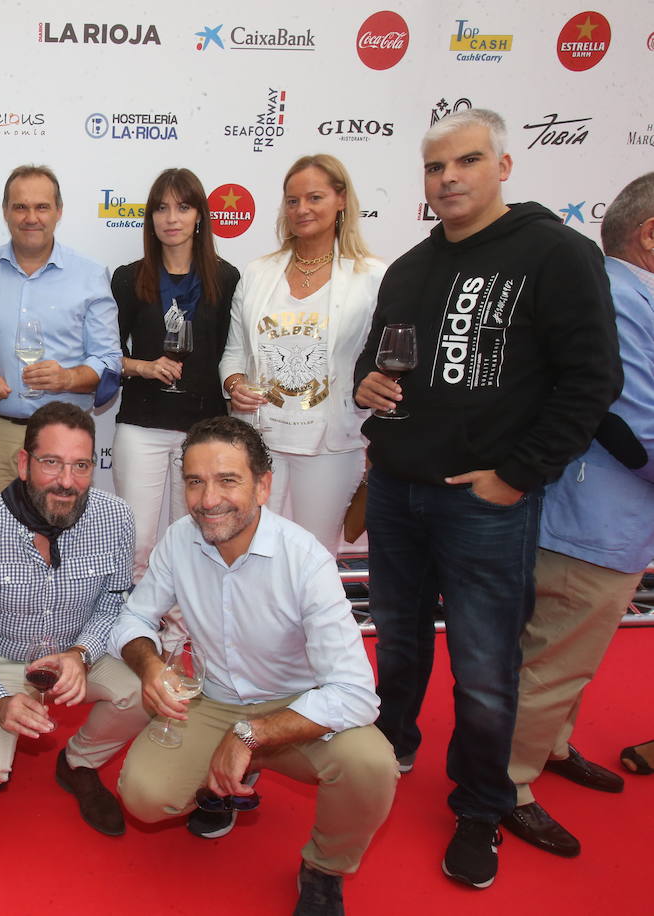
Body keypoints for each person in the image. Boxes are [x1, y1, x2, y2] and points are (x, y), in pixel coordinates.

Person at [352, 109, 620, 888]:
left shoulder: (556, 255)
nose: (449, 179)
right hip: (399, 492)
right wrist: (369, 382)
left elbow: (592, 383)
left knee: (485, 663)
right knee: (399, 639)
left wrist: (519, 474)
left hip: (486, 503)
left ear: (503, 166)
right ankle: (390, 742)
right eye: (435, 169)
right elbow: (379, 360)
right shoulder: (408, 266)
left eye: (466, 162)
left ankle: (481, 805)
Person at [112, 417, 396, 916]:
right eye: (195, 482)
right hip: (214, 699)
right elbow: (135, 615)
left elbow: (356, 694)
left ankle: (325, 867)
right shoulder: (180, 540)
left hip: (296, 706)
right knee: (143, 796)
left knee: (373, 767)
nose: (207, 499)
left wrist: (249, 735)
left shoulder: (305, 559)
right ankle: (222, 780)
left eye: (228, 480)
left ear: (263, 485)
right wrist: (150, 664)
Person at [502, 172, 654, 856]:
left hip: (610, 521)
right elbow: (634, 420)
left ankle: (552, 745)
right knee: (552, 656)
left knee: (575, 652)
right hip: (590, 518)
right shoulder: (620, 299)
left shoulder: (624, 292)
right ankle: (506, 783)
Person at [0, 401, 146, 835]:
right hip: (0, 659)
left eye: (80, 466)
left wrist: (81, 652)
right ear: (23, 463)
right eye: (51, 463)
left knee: (149, 691)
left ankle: (79, 761)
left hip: (78, 654)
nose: (66, 482)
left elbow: (115, 600)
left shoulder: (116, 518)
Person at [220, 154, 386, 555]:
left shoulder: (372, 277)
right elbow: (234, 353)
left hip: (331, 445)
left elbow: (381, 363)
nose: (302, 209)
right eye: (292, 201)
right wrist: (235, 384)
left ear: (341, 200)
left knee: (313, 557)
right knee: (249, 550)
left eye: (315, 197)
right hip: (261, 439)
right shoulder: (259, 273)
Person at [0, 164, 122, 502]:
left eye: (42, 207)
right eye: (21, 206)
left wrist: (68, 378)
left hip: (64, 437)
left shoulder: (89, 275)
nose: (32, 217)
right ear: (6, 212)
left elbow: (109, 359)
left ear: (58, 211)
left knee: (62, 543)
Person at [111, 167, 240, 581]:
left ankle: (180, 638)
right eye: (161, 208)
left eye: (183, 207)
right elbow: (106, 355)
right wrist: (143, 367)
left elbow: (232, 355)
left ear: (200, 215)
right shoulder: (129, 278)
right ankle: (136, 635)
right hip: (142, 422)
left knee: (197, 542)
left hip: (204, 430)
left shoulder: (226, 277)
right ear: (149, 218)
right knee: (137, 542)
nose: (172, 218)